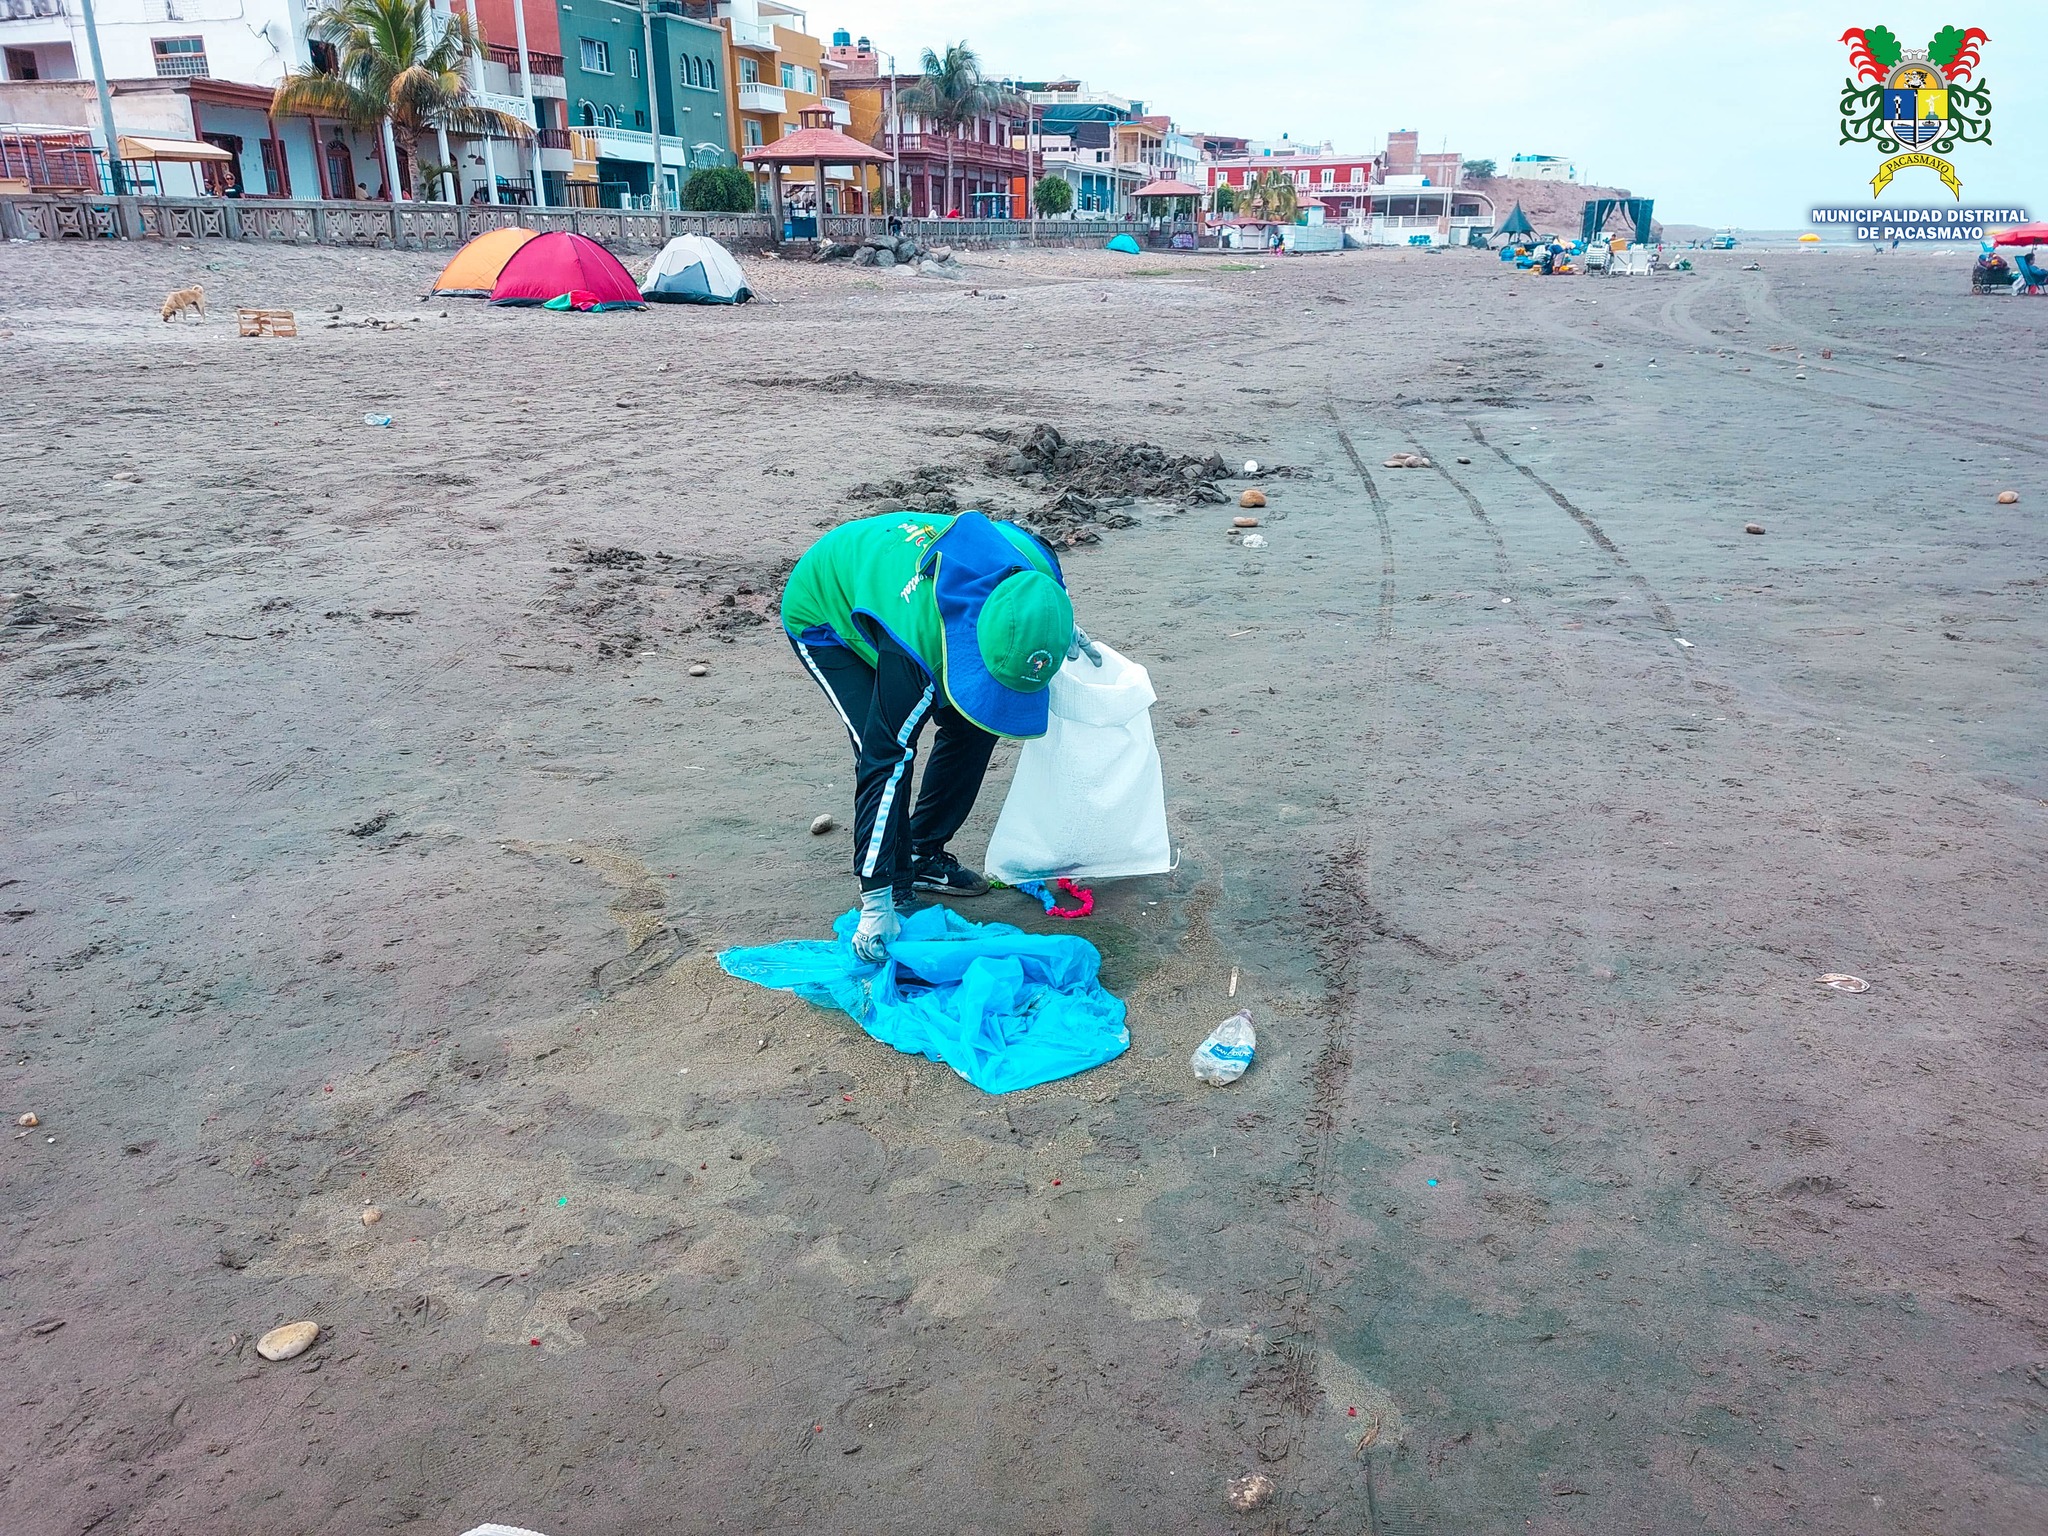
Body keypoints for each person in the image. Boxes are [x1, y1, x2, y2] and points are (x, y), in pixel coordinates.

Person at [782, 511, 1101, 962]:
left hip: (900, 585)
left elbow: (1036, 594)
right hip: (826, 608)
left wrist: (1053, 625)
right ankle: (890, 883)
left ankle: (923, 852)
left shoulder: (1038, 565)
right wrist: (876, 900)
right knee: (883, 745)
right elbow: (884, 762)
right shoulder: (920, 647)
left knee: (978, 722)